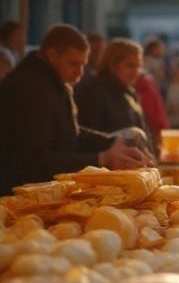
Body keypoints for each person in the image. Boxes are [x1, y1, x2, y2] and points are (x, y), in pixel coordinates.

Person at [0, 25, 151, 194]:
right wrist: (102, 158)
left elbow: (70, 133)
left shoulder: (55, 82)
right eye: (73, 64)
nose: (79, 74)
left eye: (83, 65)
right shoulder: (30, 88)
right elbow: (34, 160)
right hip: (17, 194)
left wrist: (112, 142)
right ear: (52, 55)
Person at [75, 38, 155, 154]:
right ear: (113, 64)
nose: (135, 72)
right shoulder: (94, 92)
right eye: (130, 66)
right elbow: (88, 138)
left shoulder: (129, 92)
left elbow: (143, 131)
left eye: (138, 66)